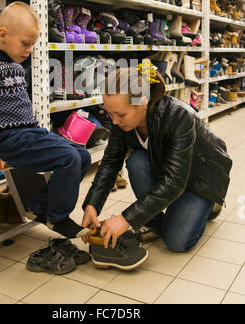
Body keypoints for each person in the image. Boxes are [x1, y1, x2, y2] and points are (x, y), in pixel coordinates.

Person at [0, 1, 91, 240]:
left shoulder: (17, 66)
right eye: (25, 43)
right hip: (4, 140)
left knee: (82, 156)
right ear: (2, 34)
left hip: (30, 132)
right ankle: (57, 217)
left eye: (32, 45)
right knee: (69, 158)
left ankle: (39, 206)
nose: (29, 50)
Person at [82, 60, 232, 252]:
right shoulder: (120, 119)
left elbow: (174, 181)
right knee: (137, 161)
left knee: (177, 242)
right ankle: (157, 221)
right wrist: (92, 205)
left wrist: (127, 218)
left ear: (143, 102)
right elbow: (111, 163)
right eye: (110, 114)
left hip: (201, 177)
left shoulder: (179, 116)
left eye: (120, 115)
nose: (114, 121)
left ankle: (210, 205)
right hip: (171, 171)